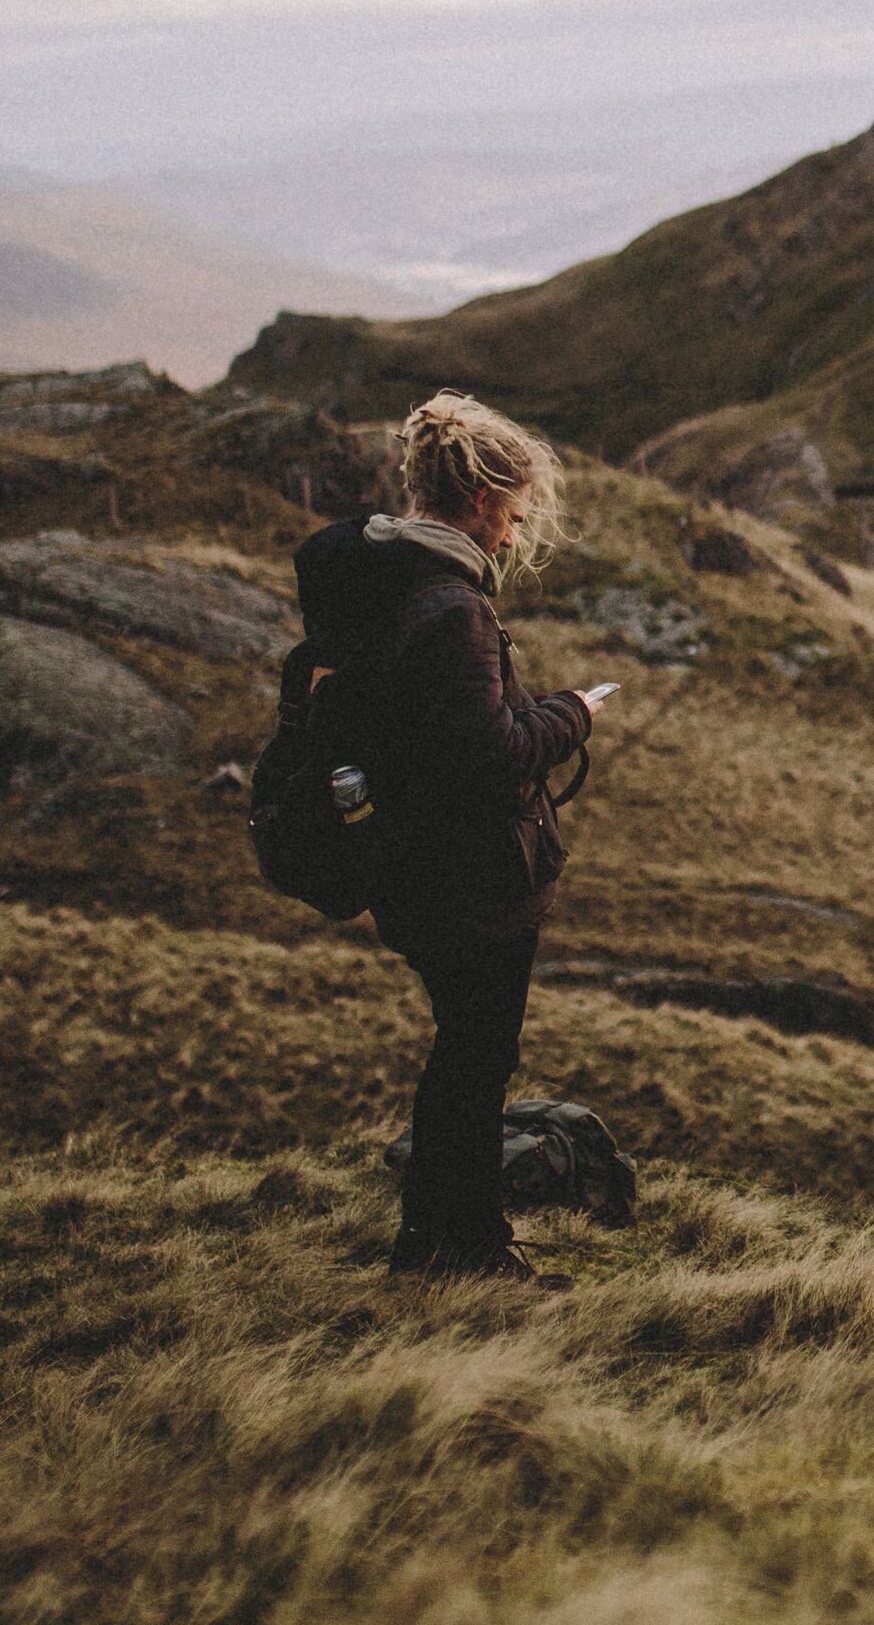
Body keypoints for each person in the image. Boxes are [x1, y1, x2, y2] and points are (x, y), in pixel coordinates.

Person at [293, 390, 600, 1282]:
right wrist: (572, 714)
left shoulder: (374, 579)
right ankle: (458, 1250)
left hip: (402, 861)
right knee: (474, 1062)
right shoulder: (451, 607)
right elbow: (490, 753)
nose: (509, 538)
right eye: (508, 516)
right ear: (476, 503)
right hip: (464, 877)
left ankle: (436, 1239)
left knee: (461, 1054)